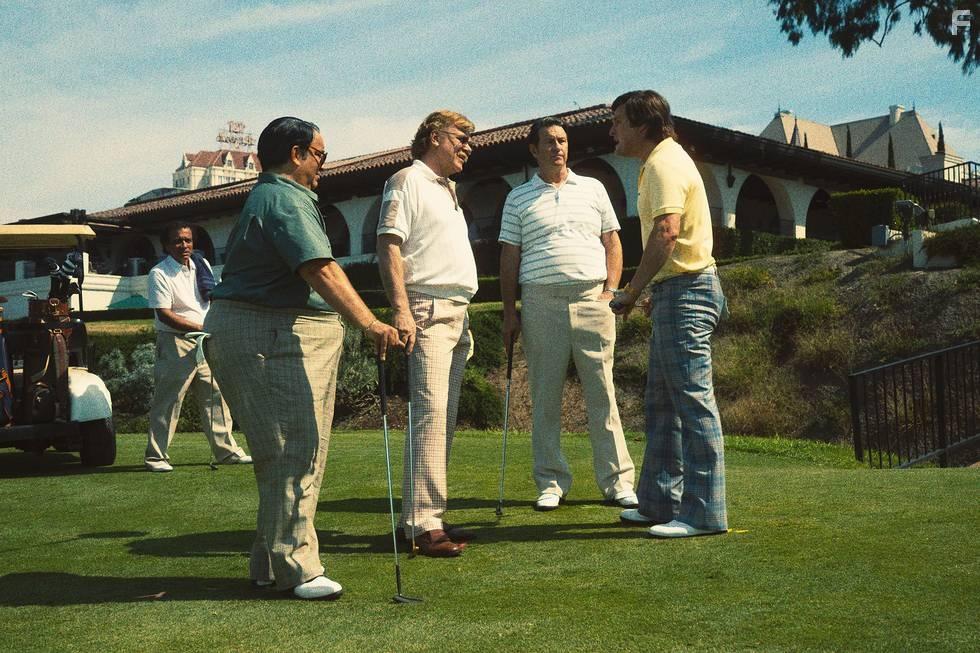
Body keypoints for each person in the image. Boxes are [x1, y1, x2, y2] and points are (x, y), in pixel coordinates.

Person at [205, 116, 402, 600]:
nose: (323, 166)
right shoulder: (285, 198)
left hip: (264, 328)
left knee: (284, 452)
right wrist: (371, 323)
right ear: (295, 154)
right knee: (295, 448)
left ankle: (269, 564)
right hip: (269, 331)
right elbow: (320, 268)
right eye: (319, 155)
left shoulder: (275, 197)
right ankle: (297, 568)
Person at [499, 117, 637, 512]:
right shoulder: (518, 198)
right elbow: (509, 256)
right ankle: (551, 481)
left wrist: (610, 290)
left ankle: (617, 481)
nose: (557, 147)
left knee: (602, 394)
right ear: (534, 150)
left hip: (592, 298)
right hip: (541, 302)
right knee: (545, 396)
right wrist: (509, 312)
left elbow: (612, 242)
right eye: (549, 141)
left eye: (562, 140)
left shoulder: (593, 188)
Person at [608, 90, 729, 539]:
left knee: (693, 404)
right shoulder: (658, 162)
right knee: (662, 404)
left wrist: (633, 290)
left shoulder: (662, 163)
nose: (612, 130)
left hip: (688, 292)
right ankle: (659, 501)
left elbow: (666, 232)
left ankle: (704, 514)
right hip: (676, 291)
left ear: (643, 125)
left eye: (619, 122)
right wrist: (653, 289)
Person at [377, 110, 478, 558]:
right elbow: (388, 244)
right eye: (461, 138)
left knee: (443, 417)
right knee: (430, 415)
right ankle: (423, 525)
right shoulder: (406, 180)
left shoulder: (447, 189)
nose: (467, 147)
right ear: (434, 137)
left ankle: (424, 516)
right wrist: (401, 309)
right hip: (427, 309)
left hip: (458, 312)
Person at [144, 222, 250, 472]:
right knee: (168, 401)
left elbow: (212, 299)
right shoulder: (159, 273)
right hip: (176, 343)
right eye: (177, 241)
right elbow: (164, 315)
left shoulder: (202, 266)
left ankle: (227, 452)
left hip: (205, 341)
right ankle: (156, 457)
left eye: (188, 240)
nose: (184, 245)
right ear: (166, 245)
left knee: (216, 397)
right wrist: (201, 327)